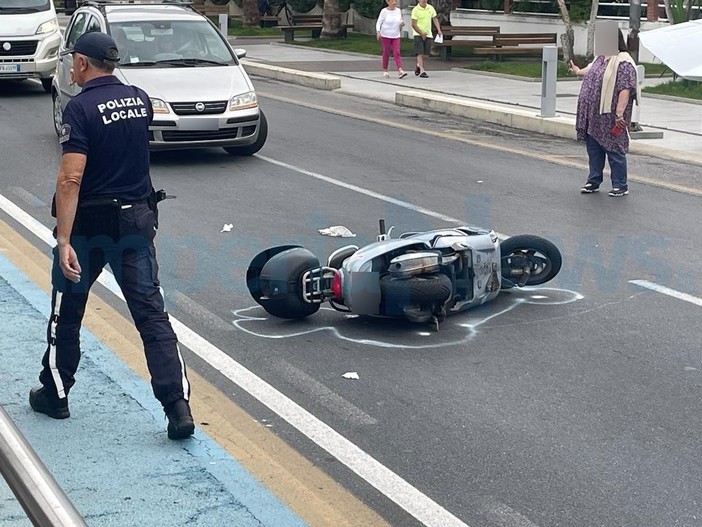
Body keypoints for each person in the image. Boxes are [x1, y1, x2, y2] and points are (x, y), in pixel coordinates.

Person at [28, 31, 195, 441]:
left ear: (83, 63)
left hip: (89, 227)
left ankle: (57, 393)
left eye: (72, 61)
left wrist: (64, 240)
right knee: (151, 315)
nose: (69, 67)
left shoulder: (80, 109)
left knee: (66, 312)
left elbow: (70, 178)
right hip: (137, 221)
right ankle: (177, 407)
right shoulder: (139, 99)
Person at [569, 30, 639, 197]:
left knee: (614, 149)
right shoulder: (601, 58)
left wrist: (620, 113)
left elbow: (625, 88)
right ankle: (593, 180)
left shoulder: (624, 62)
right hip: (594, 116)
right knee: (594, 149)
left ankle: (620, 185)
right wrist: (578, 71)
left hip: (611, 116)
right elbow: (591, 70)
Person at [376, 0, 406, 79]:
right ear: (388, 2)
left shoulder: (398, 11)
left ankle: (400, 70)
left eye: (395, 1)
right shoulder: (384, 11)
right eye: (392, 1)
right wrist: (378, 32)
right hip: (385, 34)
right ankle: (385, 70)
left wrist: (401, 23)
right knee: (386, 52)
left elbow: (399, 19)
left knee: (397, 52)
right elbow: (379, 22)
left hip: (395, 34)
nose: (394, 3)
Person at [411, 0, 441, 78]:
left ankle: (418, 65)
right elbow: (413, 24)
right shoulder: (415, 10)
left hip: (428, 34)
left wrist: (439, 30)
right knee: (419, 52)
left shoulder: (430, 8)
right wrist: (421, 33)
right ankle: (422, 70)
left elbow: (435, 19)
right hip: (418, 34)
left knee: (426, 53)